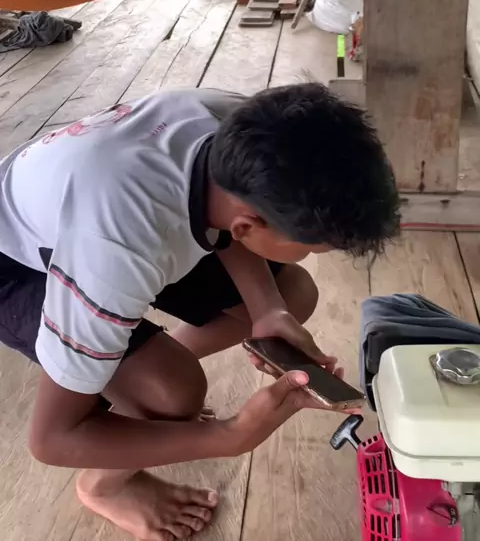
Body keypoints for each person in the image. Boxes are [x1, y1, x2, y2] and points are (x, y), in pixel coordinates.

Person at [0, 82, 399, 541]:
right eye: (311, 247)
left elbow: (227, 217)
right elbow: (51, 439)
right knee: (173, 394)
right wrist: (230, 437)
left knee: (291, 295)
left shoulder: (234, 122)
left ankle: (121, 366)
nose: (311, 254)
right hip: (15, 260)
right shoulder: (115, 250)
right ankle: (103, 486)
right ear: (247, 225)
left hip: (80, 206)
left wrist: (268, 309)